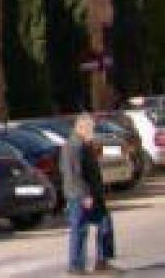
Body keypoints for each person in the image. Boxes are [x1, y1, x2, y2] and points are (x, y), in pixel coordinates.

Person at [63, 113, 116, 274]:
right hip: (80, 195)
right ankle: (75, 266)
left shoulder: (85, 144)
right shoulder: (73, 146)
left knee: (105, 224)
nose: (93, 131)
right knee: (79, 229)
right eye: (91, 128)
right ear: (81, 127)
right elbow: (74, 174)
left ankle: (102, 261)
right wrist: (85, 195)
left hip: (93, 195)